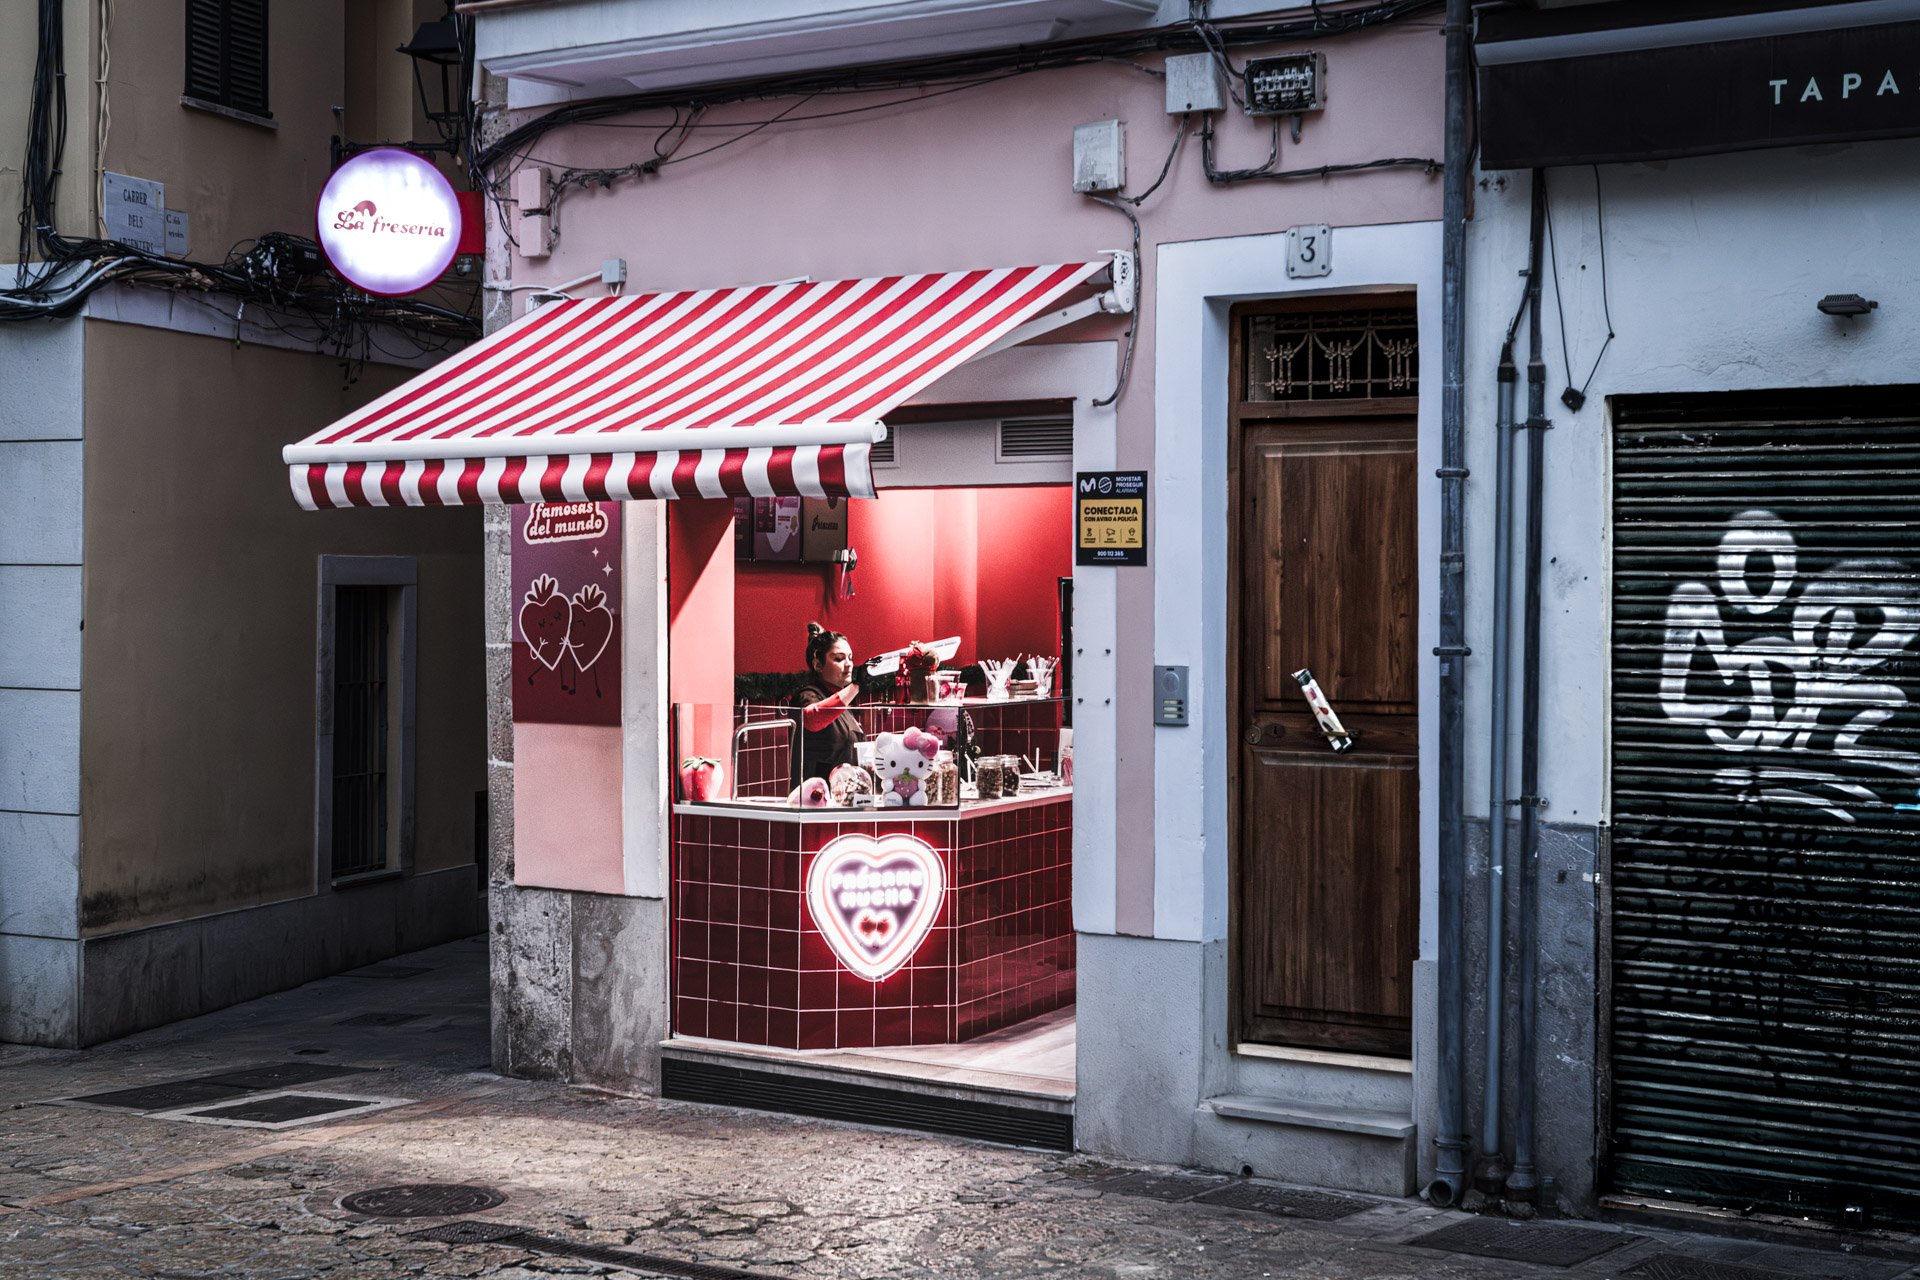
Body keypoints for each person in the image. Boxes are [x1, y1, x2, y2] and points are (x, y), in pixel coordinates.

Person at [789, 623, 862, 785]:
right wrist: (856, 686)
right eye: (839, 659)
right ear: (818, 665)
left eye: (850, 658)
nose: (849, 664)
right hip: (815, 796)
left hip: (843, 793)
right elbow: (811, 719)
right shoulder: (807, 695)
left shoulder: (842, 698)